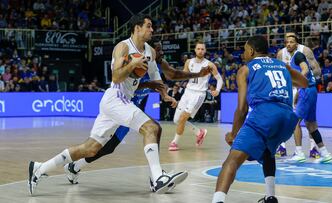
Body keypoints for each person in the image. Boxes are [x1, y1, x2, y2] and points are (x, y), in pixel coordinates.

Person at [28, 14, 192, 196]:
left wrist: (165, 95)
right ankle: (157, 179)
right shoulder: (122, 47)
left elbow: (156, 78)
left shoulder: (150, 52)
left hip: (121, 101)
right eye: (148, 26)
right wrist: (133, 64)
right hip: (115, 97)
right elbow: (116, 77)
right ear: (137, 28)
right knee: (151, 128)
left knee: (90, 149)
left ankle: (39, 168)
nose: (152, 29)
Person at [63, 41, 212, 185]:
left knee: (116, 145)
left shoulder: (158, 63)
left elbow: (173, 74)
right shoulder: (138, 61)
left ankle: (156, 174)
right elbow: (129, 84)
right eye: (158, 49)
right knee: (107, 146)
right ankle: (156, 176)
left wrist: (197, 75)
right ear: (149, 50)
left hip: (135, 107)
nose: (162, 52)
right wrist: (148, 84)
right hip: (121, 106)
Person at [211, 36, 308, 203]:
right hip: (287, 117)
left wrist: (233, 134)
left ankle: (217, 201)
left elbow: (242, 109)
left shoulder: (246, 69)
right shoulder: (281, 65)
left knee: (232, 160)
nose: (243, 54)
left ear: (251, 51)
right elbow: (304, 83)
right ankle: (270, 197)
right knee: (267, 152)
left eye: (244, 50)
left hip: (265, 114)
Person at [283, 34, 332, 163]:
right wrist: (298, 93)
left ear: (297, 44)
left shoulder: (298, 55)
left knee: (295, 122)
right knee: (311, 125)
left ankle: (299, 153)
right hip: (309, 90)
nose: (288, 44)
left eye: (292, 42)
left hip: (307, 90)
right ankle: (325, 153)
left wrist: (295, 81)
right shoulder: (295, 57)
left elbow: (305, 70)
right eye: (287, 42)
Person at [168, 41, 223, 151]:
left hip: (199, 95)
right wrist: (175, 79)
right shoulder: (189, 62)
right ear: (195, 50)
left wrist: (217, 90)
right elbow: (183, 75)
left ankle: (174, 142)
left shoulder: (210, 65)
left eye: (202, 49)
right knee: (176, 120)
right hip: (187, 92)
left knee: (183, 118)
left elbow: (219, 79)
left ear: (205, 51)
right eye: (198, 48)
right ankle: (199, 132)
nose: (200, 51)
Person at [276, 32, 322, 159]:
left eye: (291, 39)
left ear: (296, 41)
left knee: (308, 120)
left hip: (303, 86)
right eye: (286, 40)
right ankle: (282, 147)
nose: (289, 42)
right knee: (285, 117)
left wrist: (304, 76)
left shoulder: (304, 51)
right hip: (288, 88)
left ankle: (313, 148)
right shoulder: (281, 53)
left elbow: (317, 70)